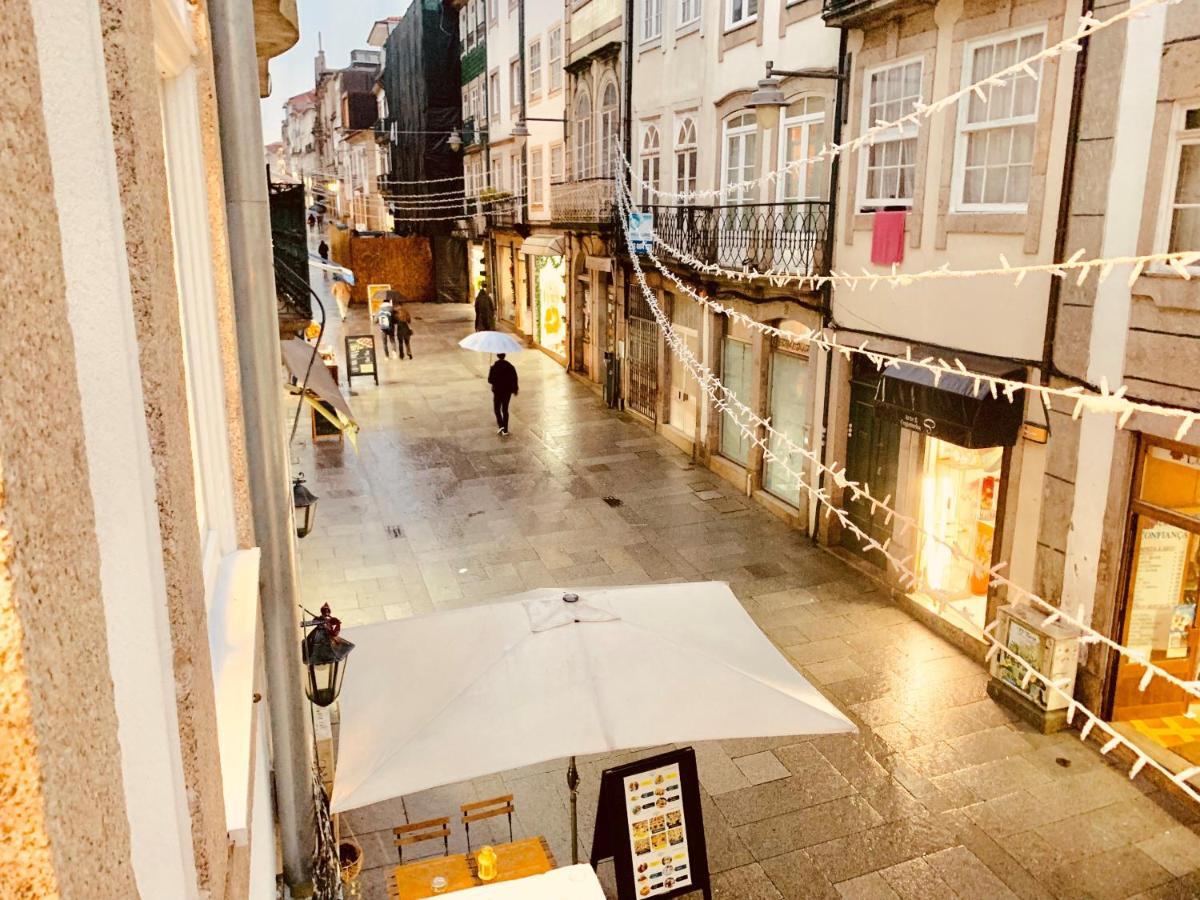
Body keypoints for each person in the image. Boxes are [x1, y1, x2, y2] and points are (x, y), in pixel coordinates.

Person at [487, 352, 518, 436]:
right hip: (507, 392)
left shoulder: (494, 367)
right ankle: (505, 429)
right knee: (505, 410)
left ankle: (501, 426)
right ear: (505, 356)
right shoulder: (510, 367)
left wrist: (491, 370)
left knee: (497, 409)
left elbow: (490, 380)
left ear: (497, 356)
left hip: (497, 391)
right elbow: (514, 378)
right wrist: (515, 389)